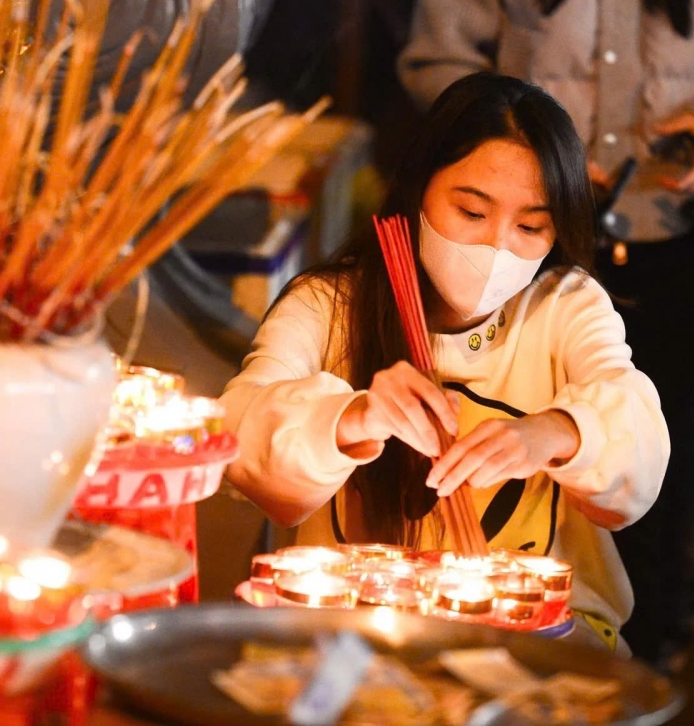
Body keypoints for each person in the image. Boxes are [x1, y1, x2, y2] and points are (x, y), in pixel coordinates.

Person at [396, 0, 694, 665]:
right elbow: (437, 56)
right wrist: (532, 163)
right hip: (530, 237)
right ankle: (509, 645)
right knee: (525, 437)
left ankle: (652, 650)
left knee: (668, 435)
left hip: (673, 221)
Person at [220, 73, 670, 654]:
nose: (497, 247)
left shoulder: (565, 306)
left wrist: (555, 432)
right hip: (355, 649)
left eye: (530, 226)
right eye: (471, 212)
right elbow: (236, 426)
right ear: (418, 190)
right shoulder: (328, 306)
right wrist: (352, 418)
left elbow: (638, 443)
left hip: (540, 648)